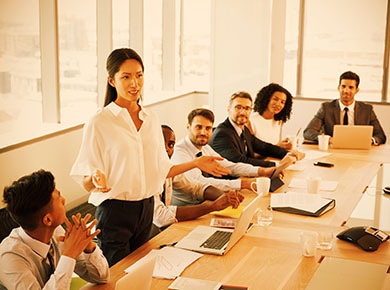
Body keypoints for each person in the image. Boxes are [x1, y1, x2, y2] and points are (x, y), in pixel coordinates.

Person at [70, 48, 230, 266]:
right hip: (115, 212)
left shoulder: (151, 118)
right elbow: (86, 179)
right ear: (111, 80)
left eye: (139, 75)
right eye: (126, 77)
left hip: (146, 209)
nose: (134, 83)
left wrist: (197, 162)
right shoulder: (100, 121)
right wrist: (95, 178)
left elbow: (162, 169)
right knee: (116, 277)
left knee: (140, 273)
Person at [0, 170, 109, 290]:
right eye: (59, 197)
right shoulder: (10, 258)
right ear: (47, 220)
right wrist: (70, 253)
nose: (64, 200)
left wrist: (88, 246)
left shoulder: (56, 231)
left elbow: (101, 278)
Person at [171, 108, 280, 206]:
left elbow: (230, 166)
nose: (203, 132)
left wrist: (261, 171)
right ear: (188, 127)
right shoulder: (179, 151)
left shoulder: (205, 148)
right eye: (199, 127)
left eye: (208, 128)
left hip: (206, 202)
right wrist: (243, 184)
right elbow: (199, 182)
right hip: (188, 210)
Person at [151, 125, 244, 235]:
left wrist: (224, 198)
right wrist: (212, 206)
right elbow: (161, 217)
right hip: (151, 235)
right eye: (161, 144)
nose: (166, 149)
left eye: (170, 145)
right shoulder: (143, 174)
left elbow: (196, 187)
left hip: (169, 229)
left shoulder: (169, 169)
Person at [209, 91, 305, 167]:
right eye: (238, 107)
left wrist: (288, 153)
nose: (243, 112)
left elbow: (264, 147)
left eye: (247, 108)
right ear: (229, 110)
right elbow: (241, 161)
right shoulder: (222, 134)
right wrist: (278, 164)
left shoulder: (243, 130)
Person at [304, 71, 386, 145]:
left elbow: (381, 136)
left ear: (357, 90)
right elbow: (308, 132)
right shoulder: (326, 108)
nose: (346, 91)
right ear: (338, 88)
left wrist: (370, 140)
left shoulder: (367, 110)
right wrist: (329, 139)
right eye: (343, 86)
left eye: (351, 87)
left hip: (359, 151)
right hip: (334, 151)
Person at [248, 83, 294, 149]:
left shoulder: (278, 122)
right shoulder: (251, 121)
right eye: (275, 99)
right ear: (267, 99)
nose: (278, 104)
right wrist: (278, 146)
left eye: (282, 102)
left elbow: (274, 144)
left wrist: (283, 144)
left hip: (274, 158)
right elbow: (252, 151)